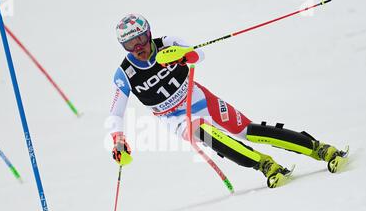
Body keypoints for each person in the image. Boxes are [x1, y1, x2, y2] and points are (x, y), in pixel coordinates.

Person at [108, 14, 347, 188]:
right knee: (203, 132)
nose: (138, 47)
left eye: (140, 39)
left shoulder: (168, 42)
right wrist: (118, 139)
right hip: (175, 118)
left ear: (148, 33)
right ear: (124, 46)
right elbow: (115, 113)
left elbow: (198, 54)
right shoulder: (125, 73)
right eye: (130, 44)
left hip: (200, 99)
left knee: (248, 131)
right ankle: (264, 165)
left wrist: (184, 56)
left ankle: (319, 149)